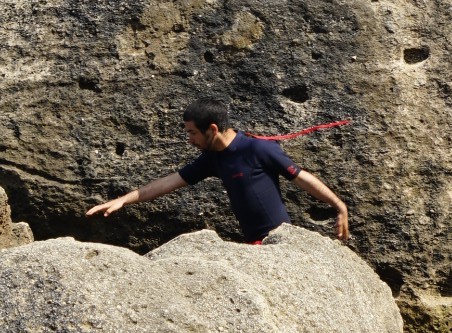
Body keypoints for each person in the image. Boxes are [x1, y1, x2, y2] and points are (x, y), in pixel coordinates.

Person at [85, 96, 349, 244]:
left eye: (192, 133)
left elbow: (302, 178)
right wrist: (123, 200)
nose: (190, 140)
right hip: (253, 246)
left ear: (212, 129)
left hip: (278, 241)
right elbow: (167, 183)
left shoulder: (258, 149)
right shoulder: (212, 159)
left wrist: (339, 207)